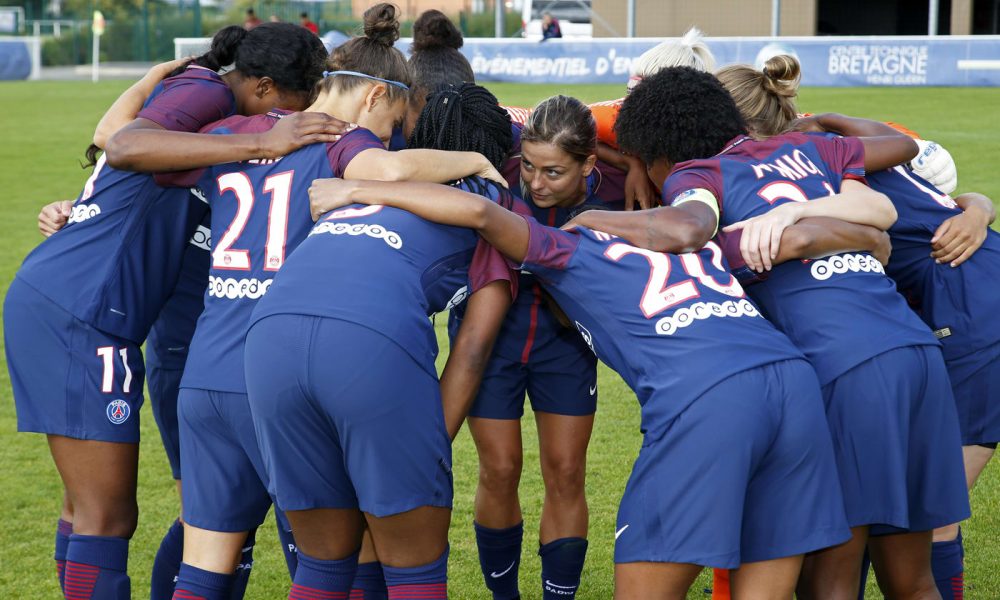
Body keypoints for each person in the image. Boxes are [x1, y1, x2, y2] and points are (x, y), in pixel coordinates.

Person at [307, 169, 920, 598]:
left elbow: (475, 211)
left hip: (707, 395)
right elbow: (856, 237)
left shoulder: (571, 247)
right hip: (793, 382)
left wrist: (353, 189)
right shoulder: (697, 243)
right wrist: (841, 226)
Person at [571, 65, 971, 600]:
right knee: (912, 580)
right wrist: (850, 229)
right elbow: (900, 147)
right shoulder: (816, 150)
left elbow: (688, 229)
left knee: (829, 584)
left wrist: (590, 220)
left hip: (841, 366)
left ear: (661, 156)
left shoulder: (700, 175)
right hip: (914, 350)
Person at [149, 7, 505, 599]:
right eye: (394, 119)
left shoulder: (242, 132)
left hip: (206, 367)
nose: (393, 132)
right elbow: (388, 171)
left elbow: (134, 150)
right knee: (342, 555)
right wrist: (474, 162)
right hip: (277, 362)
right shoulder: (343, 143)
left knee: (205, 558)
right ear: (373, 98)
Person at [4, 23, 342, 600]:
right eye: (296, 102)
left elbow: (117, 146)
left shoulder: (208, 102)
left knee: (86, 506)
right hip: (83, 310)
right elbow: (126, 145)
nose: (299, 116)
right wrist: (264, 143)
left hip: (85, 304)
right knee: (107, 518)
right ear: (261, 87)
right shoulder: (211, 92)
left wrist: (79, 205)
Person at [716, 55, 1000, 600]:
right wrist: (977, 208)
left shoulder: (808, 162)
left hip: (963, 314)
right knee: (902, 516)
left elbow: (876, 220)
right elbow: (934, 187)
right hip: (938, 317)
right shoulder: (836, 152)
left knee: (911, 521)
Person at [244, 82, 516, 600]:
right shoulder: (492, 198)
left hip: (268, 333)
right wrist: (425, 447)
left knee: (322, 565)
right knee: (412, 569)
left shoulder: (375, 178)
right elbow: (475, 346)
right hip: (364, 340)